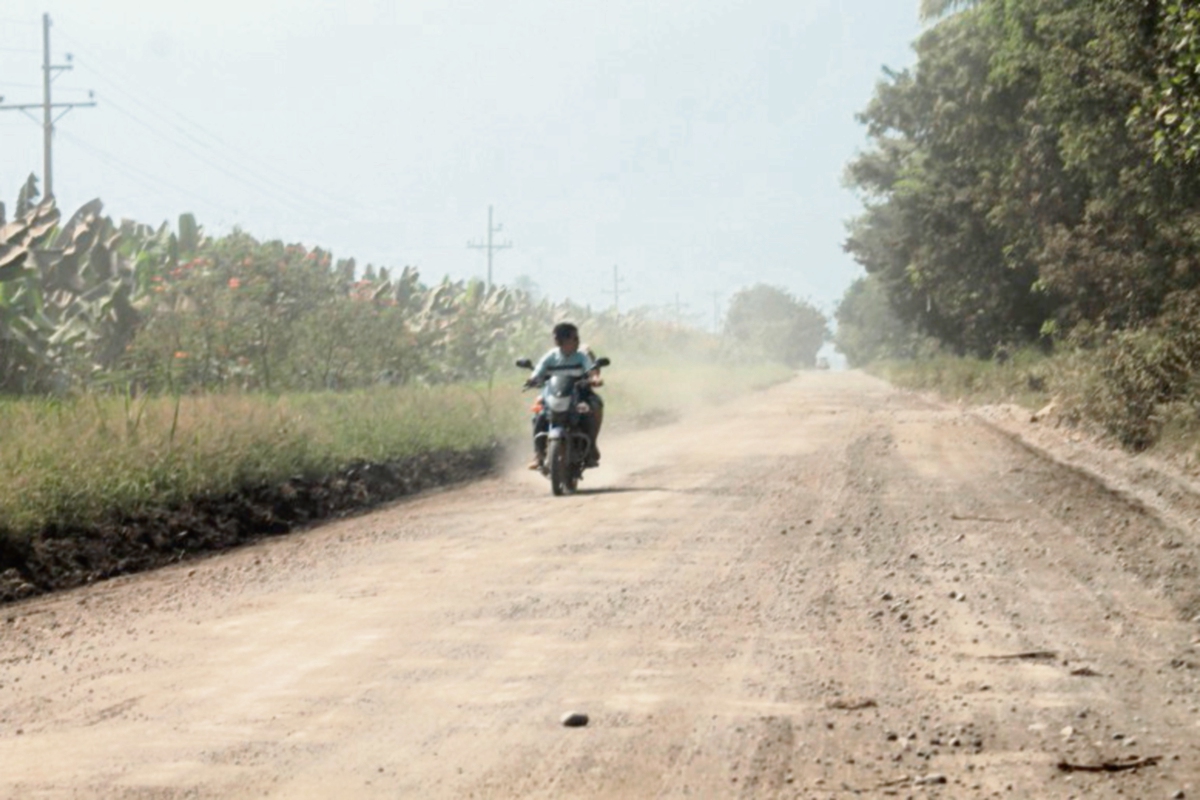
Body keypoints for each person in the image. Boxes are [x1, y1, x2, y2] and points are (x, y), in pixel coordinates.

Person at [525, 322, 604, 470]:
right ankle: (538, 454)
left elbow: (590, 369)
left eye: (577, 338)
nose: (577, 341)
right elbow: (538, 371)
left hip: (578, 394)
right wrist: (532, 379)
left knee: (594, 405)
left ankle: (591, 445)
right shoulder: (551, 356)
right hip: (553, 394)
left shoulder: (581, 356)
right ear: (561, 341)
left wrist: (594, 378)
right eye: (574, 338)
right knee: (538, 414)